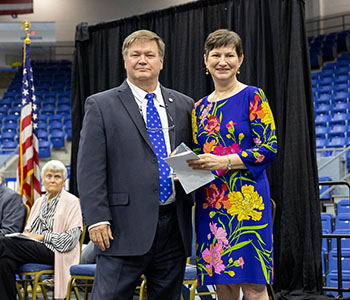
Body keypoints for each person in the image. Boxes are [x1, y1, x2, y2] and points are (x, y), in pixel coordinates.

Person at [77, 29, 194, 300]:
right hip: (120, 228)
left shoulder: (184, 105)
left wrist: (190, 177)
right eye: (135, 54)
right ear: (125, 61)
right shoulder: (101, 105)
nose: (143, 60)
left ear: (161, 62)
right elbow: (89, 168)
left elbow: (188, 157)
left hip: (173, 228)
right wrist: (96, 219)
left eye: (150, 55)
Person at [187, 29, 278, 300]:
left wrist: (224, 161)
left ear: (241, 60)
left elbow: (268, 148)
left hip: (247, 205)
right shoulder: (199, 108)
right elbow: (197, 151)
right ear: (205, 61)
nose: (222, 61)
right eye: (216, 55)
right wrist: (186, 169)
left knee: (253, 286)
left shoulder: (253, 96)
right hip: (211, 205)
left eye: (230, 55)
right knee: (223, 286)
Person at [0, 160, 83, 300]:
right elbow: (29, 230)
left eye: (57, 177)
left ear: (64, 181)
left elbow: (71, 240)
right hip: (33, 247)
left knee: (3, 243)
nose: (52, 180)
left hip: (55, 250)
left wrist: (43, 237)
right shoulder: (39, 202)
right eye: (49, 176)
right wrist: (28, 236)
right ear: (43, 180)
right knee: (3, 261)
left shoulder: (72, 202)